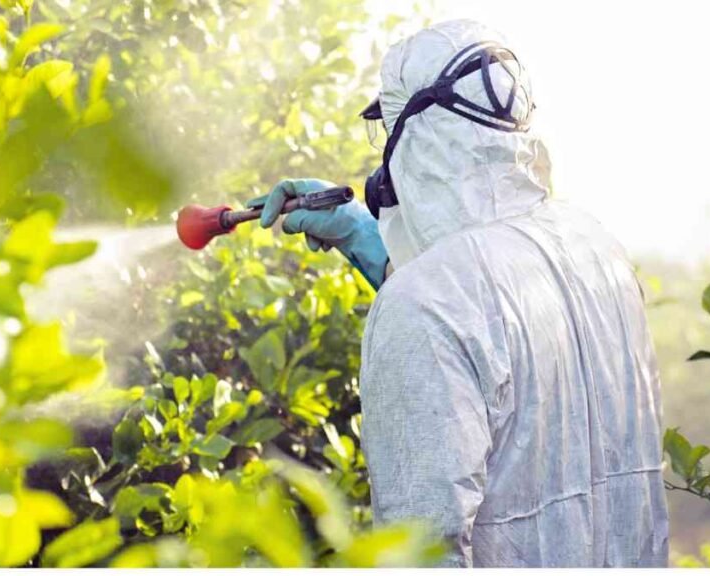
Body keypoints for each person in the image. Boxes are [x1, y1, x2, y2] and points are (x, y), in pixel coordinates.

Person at [247, 19, 669, 568]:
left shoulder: (425, 306)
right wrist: (364, 236)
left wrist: (400, 279)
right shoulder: (596, 250)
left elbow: (421, 551)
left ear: (417, 136)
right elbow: (496, 326)